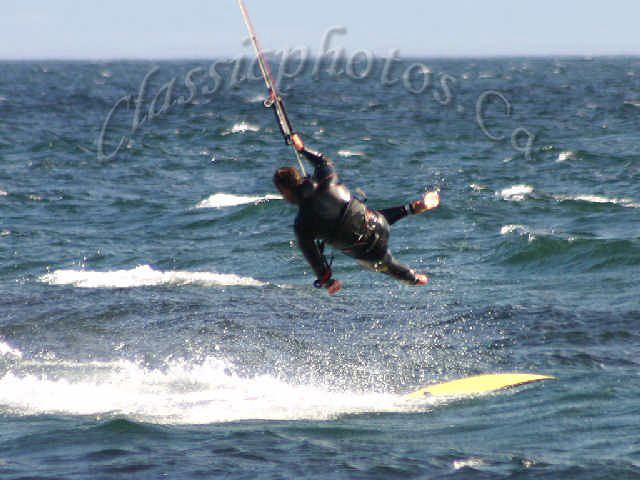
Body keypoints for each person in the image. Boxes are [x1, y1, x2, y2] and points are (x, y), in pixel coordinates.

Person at [274, 133, 440, 295]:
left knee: (384, 264)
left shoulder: (302, 224)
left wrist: (328, 281)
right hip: (377, 223)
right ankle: (412, 207)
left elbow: (315, 260)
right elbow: (323, 161)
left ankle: (415, 278)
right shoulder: (326, 179)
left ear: (285, 191)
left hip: (368, 250)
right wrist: (302, 149)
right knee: (368, 218)